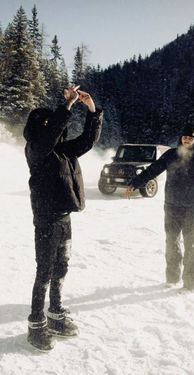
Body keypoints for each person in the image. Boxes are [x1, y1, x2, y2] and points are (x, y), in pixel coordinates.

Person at [23, 86, 103, 351]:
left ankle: (55, 314)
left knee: (61, 268)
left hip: (64, 217)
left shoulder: (64, 151)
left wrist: (92, 111)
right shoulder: (36, 149)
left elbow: (88, 140)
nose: (55, 130)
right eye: (47, 125)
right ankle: (36, 324)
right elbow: (48, 136)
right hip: (46, 219)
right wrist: (66, 106)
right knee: (44, 271)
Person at [126, 124, 194, 292]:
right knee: (171, 243)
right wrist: (136, 183)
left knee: (191, 246)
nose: (187, 139)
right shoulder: (171, 155)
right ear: (181, 138)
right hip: (171, 207)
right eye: (185, 137)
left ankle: (190, 284)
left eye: (191, 137)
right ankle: (172, 279)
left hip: (191, 209)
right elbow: (153, 170)